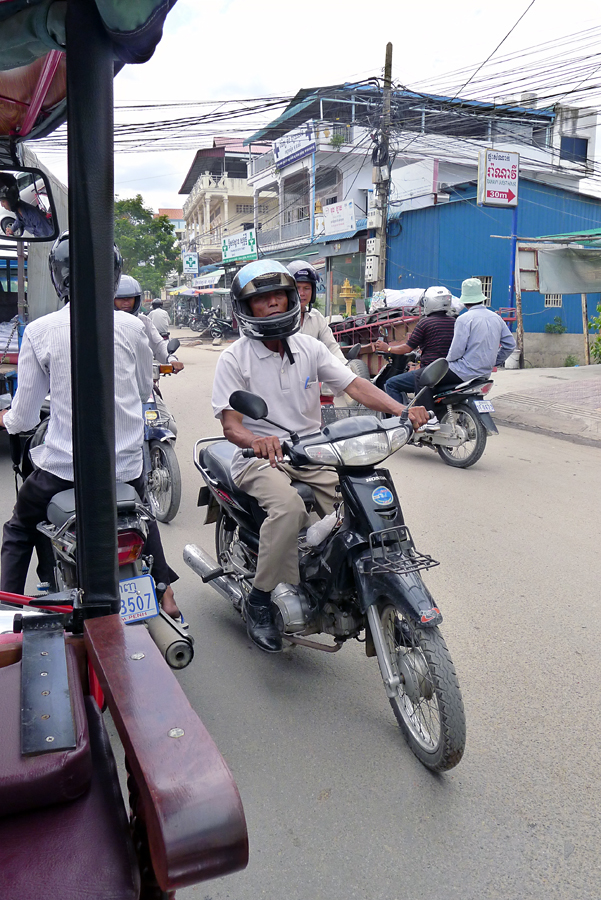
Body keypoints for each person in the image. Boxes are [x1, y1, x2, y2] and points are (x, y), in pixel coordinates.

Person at [212, 259, 429, 654]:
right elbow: (231, 425)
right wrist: (256, 441)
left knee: (359, 507)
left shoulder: (309, 346)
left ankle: (350, 584)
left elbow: (355, 385)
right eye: (262, 300)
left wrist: (401, 411)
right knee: (289, 509)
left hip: (312, 452)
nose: (273, 305)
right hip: (260, 458)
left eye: (279, 296)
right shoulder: (234, 358)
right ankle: (261, 599)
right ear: (246, 309)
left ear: (293, 298)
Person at [0, 232, 181, 619]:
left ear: (57, 276)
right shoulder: (132, 327)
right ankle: (166, 597)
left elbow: (25, 418)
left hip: (63, 471)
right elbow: (140, 389)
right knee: (140, 514)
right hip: (126, 466)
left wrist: (6, 419)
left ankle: (7, 615)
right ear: (113, 276)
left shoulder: (40, 331)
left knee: (18, 529)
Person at [417, 277, 516, 411]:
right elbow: (510, 344)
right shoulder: (496, 318)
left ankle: (429, 419)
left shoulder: (464, 319)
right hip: (485, 373)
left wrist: (444, 364)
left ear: (465, 300)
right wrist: (494, 361)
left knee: (421, 376)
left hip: (463, 372)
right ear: (481, 297)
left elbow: (456, 351)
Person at [114, 275, 183, 434]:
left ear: (137, 300)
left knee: (169, 427)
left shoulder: (144, 321)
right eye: (120, 299)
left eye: (130, 298)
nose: (126, 303)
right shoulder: (103, 323)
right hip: (115, 390)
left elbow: (158, 345)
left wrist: (171, 359)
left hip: (142, 387)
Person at [374, 286, 457, 408]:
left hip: (430, 372)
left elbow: (407, 348)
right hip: (449, 371)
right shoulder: (454, 322)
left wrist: (388, 348)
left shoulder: (425, 323)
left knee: (391, 384)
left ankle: (399, 418)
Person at [287, 260, 346, 363]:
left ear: (313, 292)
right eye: (297, 288)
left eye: (307, 288)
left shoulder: (316, 317)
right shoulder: (281, 320)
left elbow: (332, 347)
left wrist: (347, 370)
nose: (302, 293)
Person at [0, 173, 54, 239]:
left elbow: (46, 234)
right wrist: (12, 229)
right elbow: (19, 220)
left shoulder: (33, 215)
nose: (2, 205)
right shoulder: (19, 210)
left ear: (11, 199)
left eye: (3, 201)